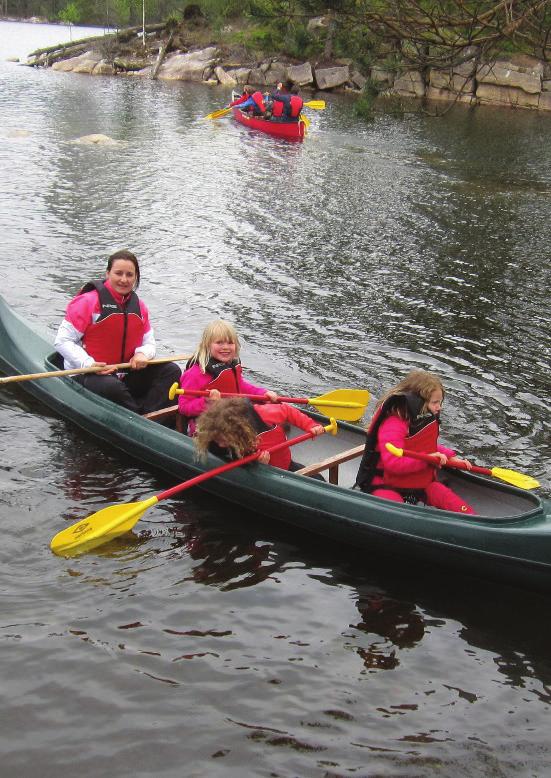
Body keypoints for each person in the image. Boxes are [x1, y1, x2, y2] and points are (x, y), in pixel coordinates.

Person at [54, 249, 181, 414]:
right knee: (112, 387)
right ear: (108, 273)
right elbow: (62, 341)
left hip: (125, 372)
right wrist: (89, 364)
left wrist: (142, 354)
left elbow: (148, 343)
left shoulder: (140, 307)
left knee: (171, 371)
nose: (124, 279)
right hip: (88, 373)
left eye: (129, 275)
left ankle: (150, 416)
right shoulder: (87, 302)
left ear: (136, 277)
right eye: (118, 273)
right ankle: (136, 417)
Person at [355, 369, 475, 514]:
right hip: (385, 483)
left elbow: (422, 445)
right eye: (435, 402)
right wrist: (427, 460)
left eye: (440, 402)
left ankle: (474, 521)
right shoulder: (393, 423)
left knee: (453, 502)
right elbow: (393, 463)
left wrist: (451, 456)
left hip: (419, 483)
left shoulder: (420, 420)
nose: (439, 407)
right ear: (418, 402)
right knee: (400, 515)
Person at [178, 319, 278, 435]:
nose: (225, 347)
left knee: (263, 416)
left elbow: (241, 386)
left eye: (230, 343)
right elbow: (184, 407)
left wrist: (263, 394)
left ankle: (263, 441)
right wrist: (207, 402)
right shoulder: (194, 374)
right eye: (219, 343)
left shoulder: (230, 366)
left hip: (232, 416)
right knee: (245, 415)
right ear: (207, 345)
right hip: (205, 425)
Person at [194, 397, 325, 471]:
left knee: (318, 479)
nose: (221, 445)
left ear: (238, 430)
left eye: (222, 439)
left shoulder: (264, 414)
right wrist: (259, 465)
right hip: (270, 471)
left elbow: (288, 410)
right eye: (217, 440)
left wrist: (310, 425)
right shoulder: (222, 443)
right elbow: (241, 464)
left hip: (287, 464)